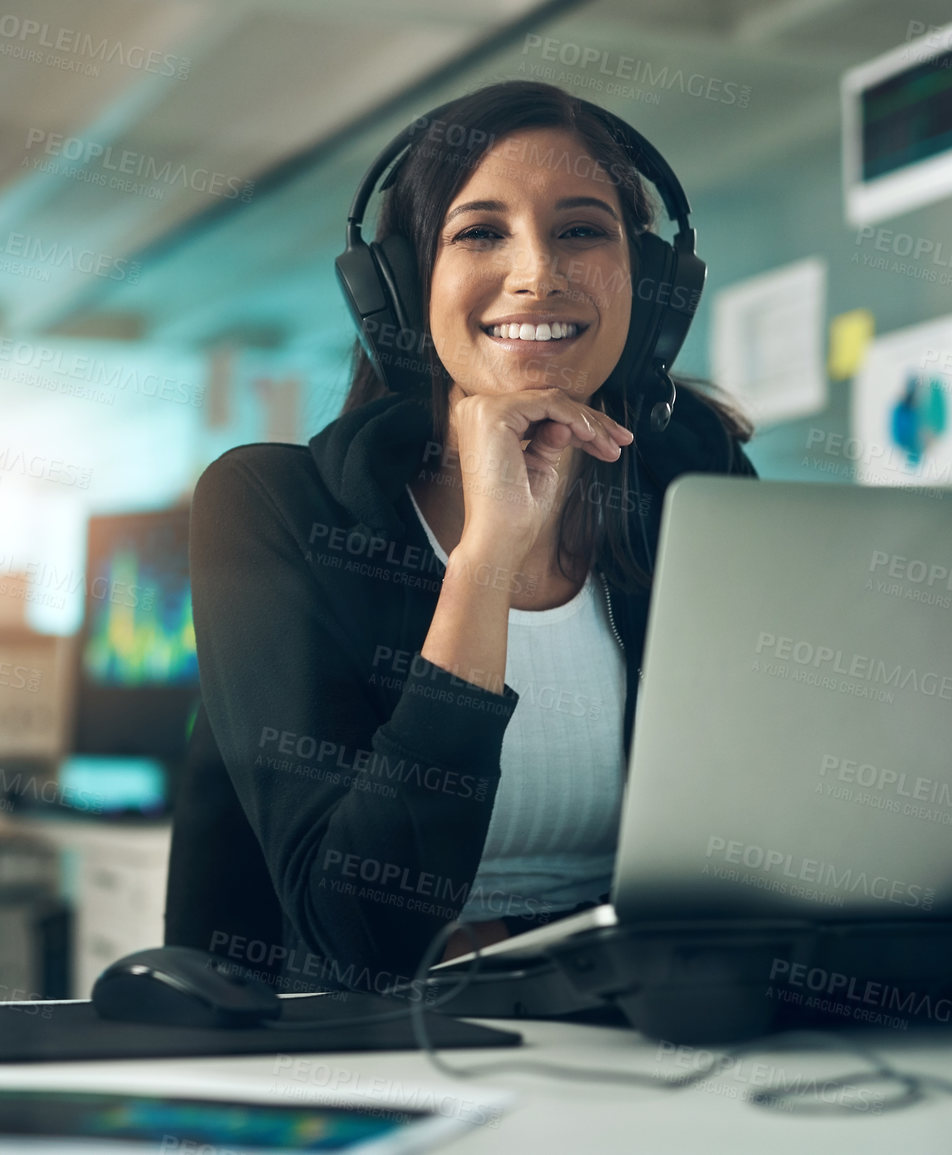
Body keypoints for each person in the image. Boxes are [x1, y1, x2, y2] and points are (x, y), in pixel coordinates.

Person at [166, 81, 757, 993]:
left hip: (640, 1025)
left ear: (650, 283)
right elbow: (356, 930)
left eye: (581, 230)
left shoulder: (696, 479)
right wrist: (483, 562)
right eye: (479, 231)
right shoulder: (273, 506)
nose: (536, 273)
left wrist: (523, 943)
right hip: (368, 1060)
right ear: (399, 289)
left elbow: (759, 833)